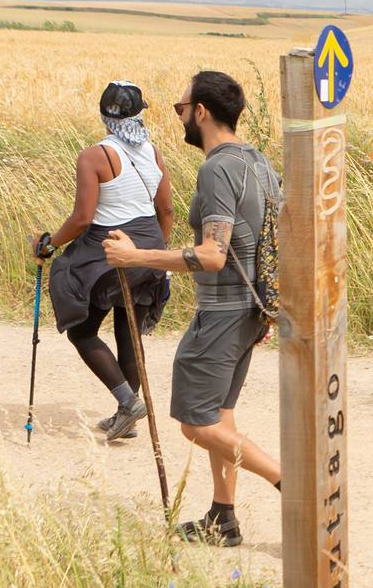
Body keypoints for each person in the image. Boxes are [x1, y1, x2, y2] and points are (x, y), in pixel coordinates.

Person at [105, 71, 283, 546]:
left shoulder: (217, 169)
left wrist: (136, 257)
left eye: (181, 108)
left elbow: (212, 254)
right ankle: (223, 518)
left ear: (201, 112)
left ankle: (293, 485)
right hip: (250, 311)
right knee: (221, 416)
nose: (180, 116)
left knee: (194, 422)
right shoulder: (260, 163)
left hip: (222, 312)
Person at [34, 81, 173, 442]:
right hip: (148, 248)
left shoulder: (95, 156)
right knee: (129, 333)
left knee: (82, 330)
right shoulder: (153, 153)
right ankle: (128, 412)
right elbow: (166, 210)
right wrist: (156, 254)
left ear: (103, 116)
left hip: (108, 249)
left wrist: (49, 244)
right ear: (140, 114)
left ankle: (127, 403)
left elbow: (82, 218)